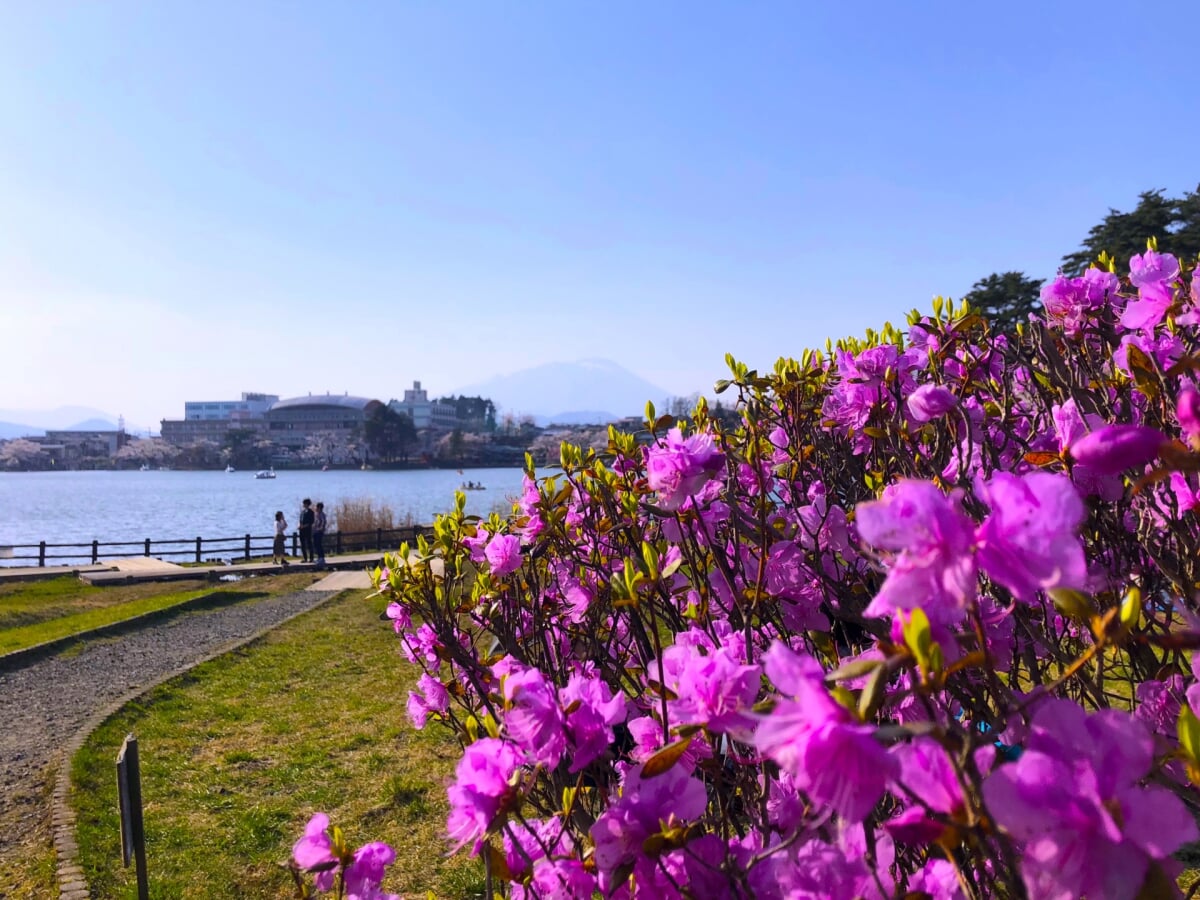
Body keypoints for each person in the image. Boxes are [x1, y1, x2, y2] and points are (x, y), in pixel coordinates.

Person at [298, 498, 315, 563]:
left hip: (308, 530)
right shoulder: (302, 512)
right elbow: (300, 520)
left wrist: (304, 526)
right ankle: (305, 558)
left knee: (309, 543)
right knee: (302, 544)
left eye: (304, 504)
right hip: (302, 530)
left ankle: (311, 558)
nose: (303, 505)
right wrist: (299, 525)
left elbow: (311, 521)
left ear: (307, 504)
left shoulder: (311, 512)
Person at [313, 501, 327, 567]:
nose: (315, 508)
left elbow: (323, 522)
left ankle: (322, 557)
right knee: (316, 544)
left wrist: (320, 528)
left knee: (319, 544)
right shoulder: (316, 514)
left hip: (319, 531)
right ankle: (319, 557)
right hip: (315, 531)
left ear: (319, 508)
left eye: (316, 507)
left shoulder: (322, 514)